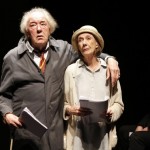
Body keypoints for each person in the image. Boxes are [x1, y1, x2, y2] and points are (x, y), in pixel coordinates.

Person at [0, 7, 120, 150]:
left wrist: (110, 59)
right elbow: (3, 95)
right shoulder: (12, 58)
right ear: (27, 31)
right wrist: (7, 114)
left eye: (43, 24)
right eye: (33, 25)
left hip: (55, 134)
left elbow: (87, 51)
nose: (39, 29)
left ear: (50, 28)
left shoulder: (63, 50)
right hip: (27, 132)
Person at [63, 25, 124, 150]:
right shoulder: (71, 71)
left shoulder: (109, 70)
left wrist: (111, 112)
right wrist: (70, 110)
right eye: (80, 40)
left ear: (97, 44)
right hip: (78, 135)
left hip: (102, 136)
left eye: (88, 38)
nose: (84, 42)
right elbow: (62, 103)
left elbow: (119, 104)